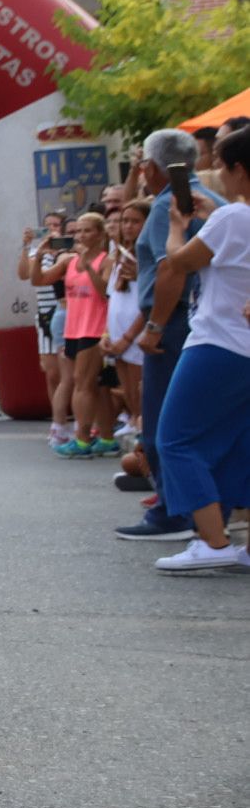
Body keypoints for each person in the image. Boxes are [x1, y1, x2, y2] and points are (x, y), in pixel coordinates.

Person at [143, 125, 250, 571]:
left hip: (217, 341)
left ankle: (213, 542)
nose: (217, 176)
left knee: (175, 439)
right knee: (240, 443)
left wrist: (177, 227)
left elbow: (177, 261)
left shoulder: (233, 218)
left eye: (221, 167)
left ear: (239, 169)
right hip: (243, 347)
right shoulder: (232, 216)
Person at [117, 129, 225, 541]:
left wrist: (155, 326)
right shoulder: (209, 202)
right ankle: (200, 510)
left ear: (151, 167)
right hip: (191, 318)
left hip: (173, 321)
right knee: (193, 420)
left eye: (143, 162)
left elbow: (172, 268)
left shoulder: (169, 205)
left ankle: (172, 512)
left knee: (165, 421)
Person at [33, 212, 118, 459]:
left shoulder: (106, 260)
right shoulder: (69, 260)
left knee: (83, 384)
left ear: (100, 234)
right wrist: (39, 254)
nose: (81, 235)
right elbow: (38, 279)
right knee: (96, 386)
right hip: (73, 328)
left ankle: (81, 439)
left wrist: (88, 263)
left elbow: (104, 291)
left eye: (87, 231)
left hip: (95, 329)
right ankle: (107, 437)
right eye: (78, 231)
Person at [17, 211, 73, 446]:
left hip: (63, 310)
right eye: (47, 225)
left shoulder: (67, 254)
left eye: (56, 226)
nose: (52, 229)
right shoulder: (36, 253)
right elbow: (24, 274)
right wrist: (27, 246)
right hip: (45, 314)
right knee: (51, 371)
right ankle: (57, 417)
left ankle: (69, 417)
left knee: (66, 372)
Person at [102, 198, 150, 449]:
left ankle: (145, 447)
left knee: (141, 393)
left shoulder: (148, 258)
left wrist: (128, 338)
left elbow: (149, 304)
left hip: (136, 336)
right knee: (129, 392)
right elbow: (114, 300)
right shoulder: (119, 257)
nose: (128, 227)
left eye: (135, 221)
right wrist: (107, 333)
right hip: (117, 335)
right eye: (125, 221)